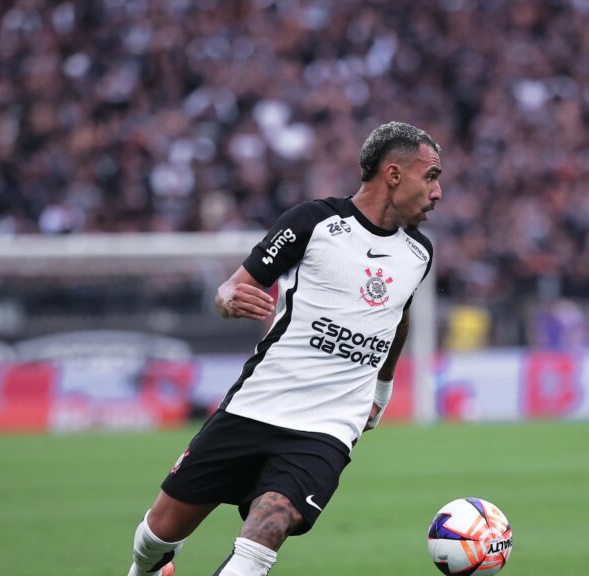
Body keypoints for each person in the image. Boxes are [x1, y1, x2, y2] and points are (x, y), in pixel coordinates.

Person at [125, 121, 440, 576]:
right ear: (393, 174)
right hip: (258, 403)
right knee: (159, 532)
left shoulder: (418, 254)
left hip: (327, 427)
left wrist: (383, 389)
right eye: (431, 176)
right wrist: (228, 300)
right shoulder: (313, 223)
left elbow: (399, 317)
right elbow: (233, 287)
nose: (438, 191)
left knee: (269, 524)